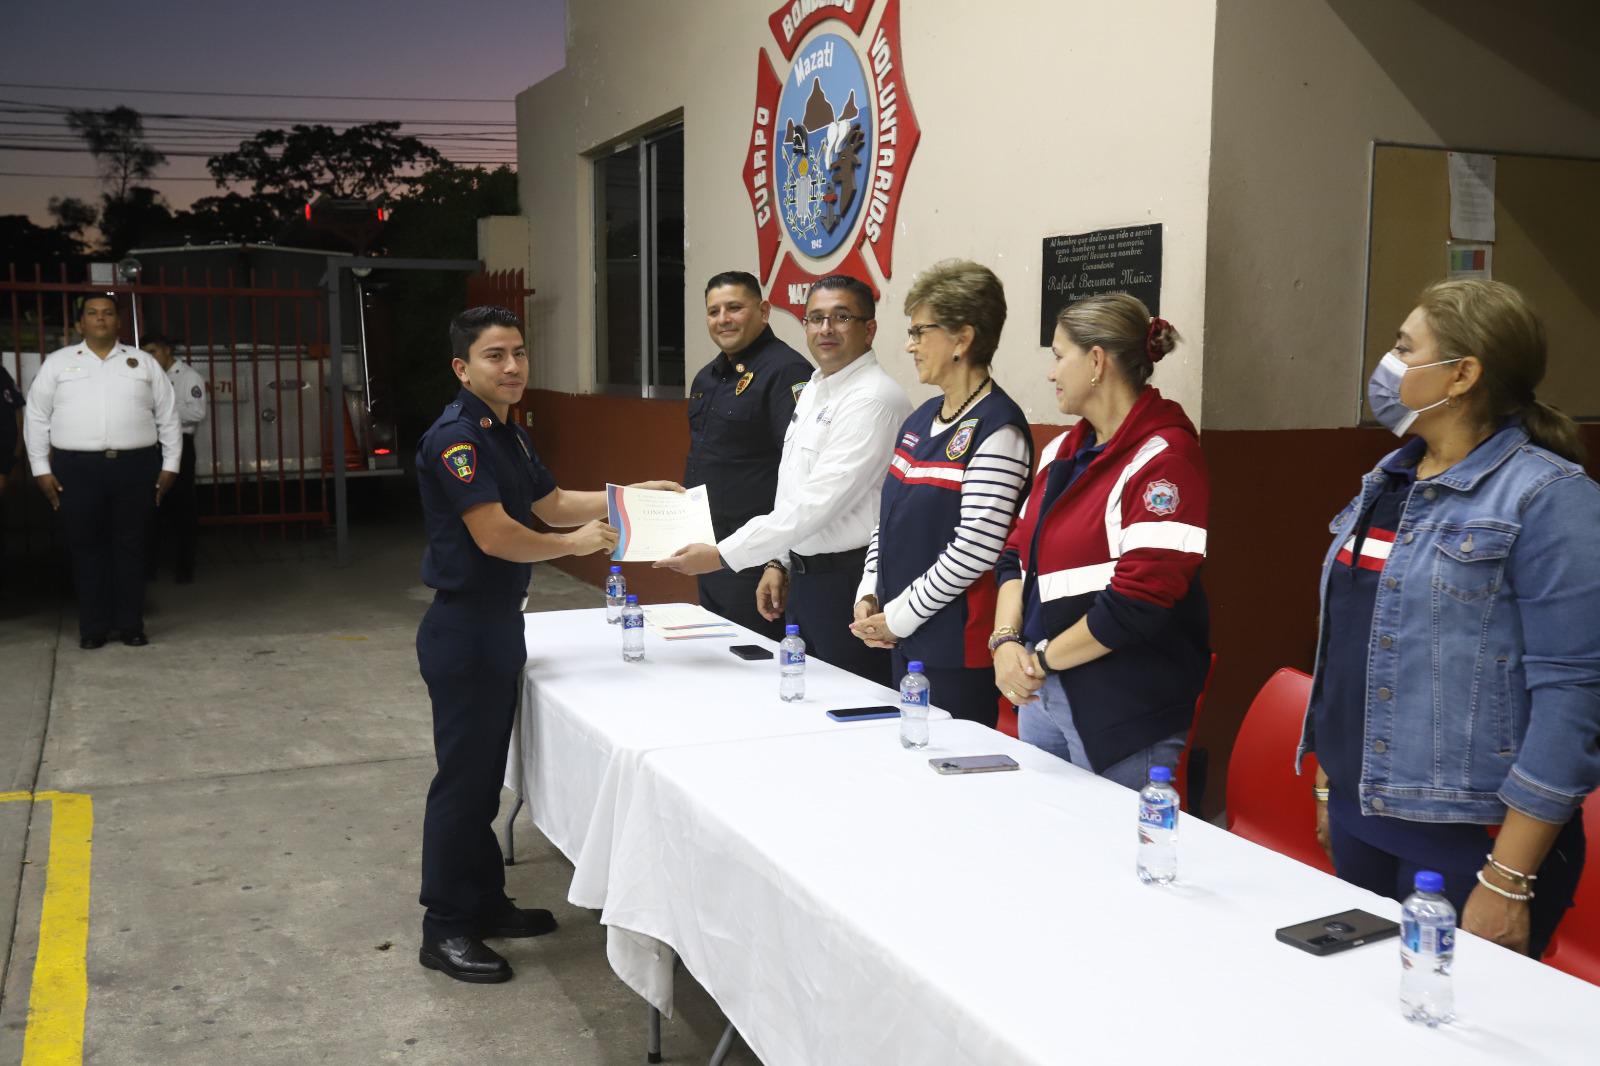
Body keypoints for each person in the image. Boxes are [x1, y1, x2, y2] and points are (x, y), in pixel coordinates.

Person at [1300, 279, 1597, 959]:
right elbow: (1349, 642)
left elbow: (1572, 699)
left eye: (1406, 348)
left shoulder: (1550, 498)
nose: (1388, 365)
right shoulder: (1389, 480)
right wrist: (1330, 781)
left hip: (1471, 844)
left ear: (1463, 375)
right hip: (1361, 814)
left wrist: (1511, 877)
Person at [414, 305, 681, 984]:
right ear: (462, 368)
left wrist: (627, 497)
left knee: (481, 783)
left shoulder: (509, 434)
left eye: (519, 354)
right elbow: (496, 534)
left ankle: (483, 903)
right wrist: (571, 548)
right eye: (495, 356)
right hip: (465, 628)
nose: (511, 367)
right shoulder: (458, 439)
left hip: (499, 624)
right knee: (463, 785)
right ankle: (444, 926)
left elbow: (555, 503)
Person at [992, 293, 1209, 788]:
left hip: (1122, 706)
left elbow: (1140, 601)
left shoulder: (1165, 459)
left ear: (1095, 361)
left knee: (1108, 854)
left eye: (1057, 355)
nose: (1051, 373)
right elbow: (1014, 556)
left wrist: (1038, 658)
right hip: (1044, 688)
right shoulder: (1063, 451)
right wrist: (1006, 641)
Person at [656, 275, 911, 686]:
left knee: (848, 705)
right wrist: (782, 560)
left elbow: (818, 502)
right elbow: (791, 487)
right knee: (798, 700)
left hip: (848, 583)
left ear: (870, 329)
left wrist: (723, 555)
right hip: (805, 578)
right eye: (815, 318)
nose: (825, 329)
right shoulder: (816, 387)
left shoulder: (873, 399)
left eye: (840, 317)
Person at [849, 261, 1033, 725]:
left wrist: (901, 615)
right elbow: (886, 518)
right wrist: (870, 591)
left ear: (962, 338)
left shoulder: (998, 428)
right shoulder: (920, 417)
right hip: (901, 636)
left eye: (919, 331)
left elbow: (977, 547)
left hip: (954, 651)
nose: (909, 345)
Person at [25, 295, 180, 648]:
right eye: (92, 314)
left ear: (117, 322)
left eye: (108, 313)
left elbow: (168, 416)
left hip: (135, 467)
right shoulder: (59, 363)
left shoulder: (140, 362)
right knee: (86, 547)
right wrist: (40, 468)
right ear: (80, 324)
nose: (100, 319)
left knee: (132, 547)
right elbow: (36, 416)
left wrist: (170, 464)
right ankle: (93, 628)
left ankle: (130, 625)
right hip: (76, 469)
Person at [683, 271, 813, 639]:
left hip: (755, 556)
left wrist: (778, 560)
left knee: (753, 662)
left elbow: (798, 475)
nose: (723, 319)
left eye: (735, 308)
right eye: (713, 311)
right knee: (717, 655)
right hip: (710, 548)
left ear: (764, 311)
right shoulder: (707, 378)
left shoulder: (787, 371)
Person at [142, 335, 207, 583]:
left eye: (153, 351)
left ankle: (184, 567)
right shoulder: (147, 376)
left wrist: (163, 412)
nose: (149, 357)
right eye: (145, 352)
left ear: (167, 350)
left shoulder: (188, 377)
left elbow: (197, 412)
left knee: (182, 507)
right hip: (152, 446)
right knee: (152, 507)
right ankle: (150, 567)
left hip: (180, 444)